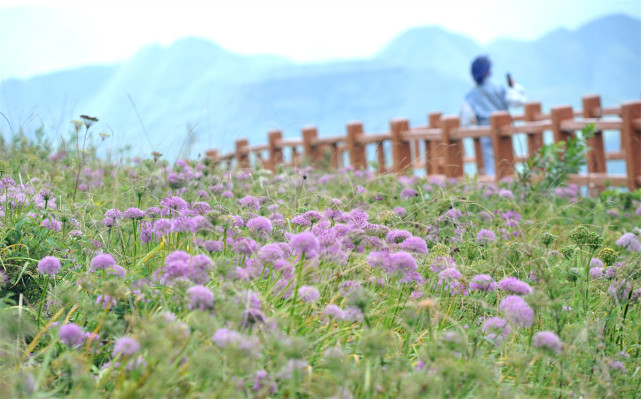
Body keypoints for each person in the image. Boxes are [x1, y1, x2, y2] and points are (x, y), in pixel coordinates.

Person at [460, 55, 526, 176]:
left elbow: (465, 119)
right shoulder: (499, 87)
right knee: (507, 162)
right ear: (488, 71)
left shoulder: (470, 94)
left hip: (485, 132)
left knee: (490, 166)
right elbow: (518, 101)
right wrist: (515, 87)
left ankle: (493, 190)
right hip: (504, 130)